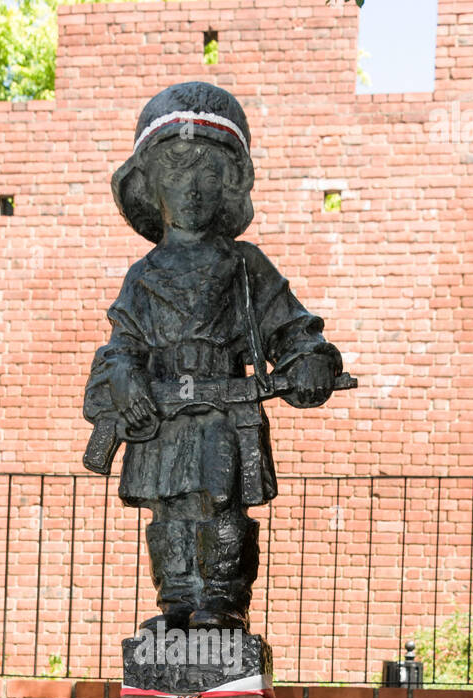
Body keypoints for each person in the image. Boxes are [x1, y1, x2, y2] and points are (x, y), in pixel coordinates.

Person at [84, 82, 346, 632]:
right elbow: (119, 347)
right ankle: (176, 603)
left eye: (208, 172)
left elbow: (293, 328)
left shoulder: (246, 267)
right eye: (177, 172)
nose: (193, 189)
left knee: (219, 506)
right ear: (152, 185)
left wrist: (312, 358)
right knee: (169, 512)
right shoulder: (143, 275)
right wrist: (126, 380)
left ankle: (222, 603)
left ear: (228, 184)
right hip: (159, 419)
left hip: (226, 417)